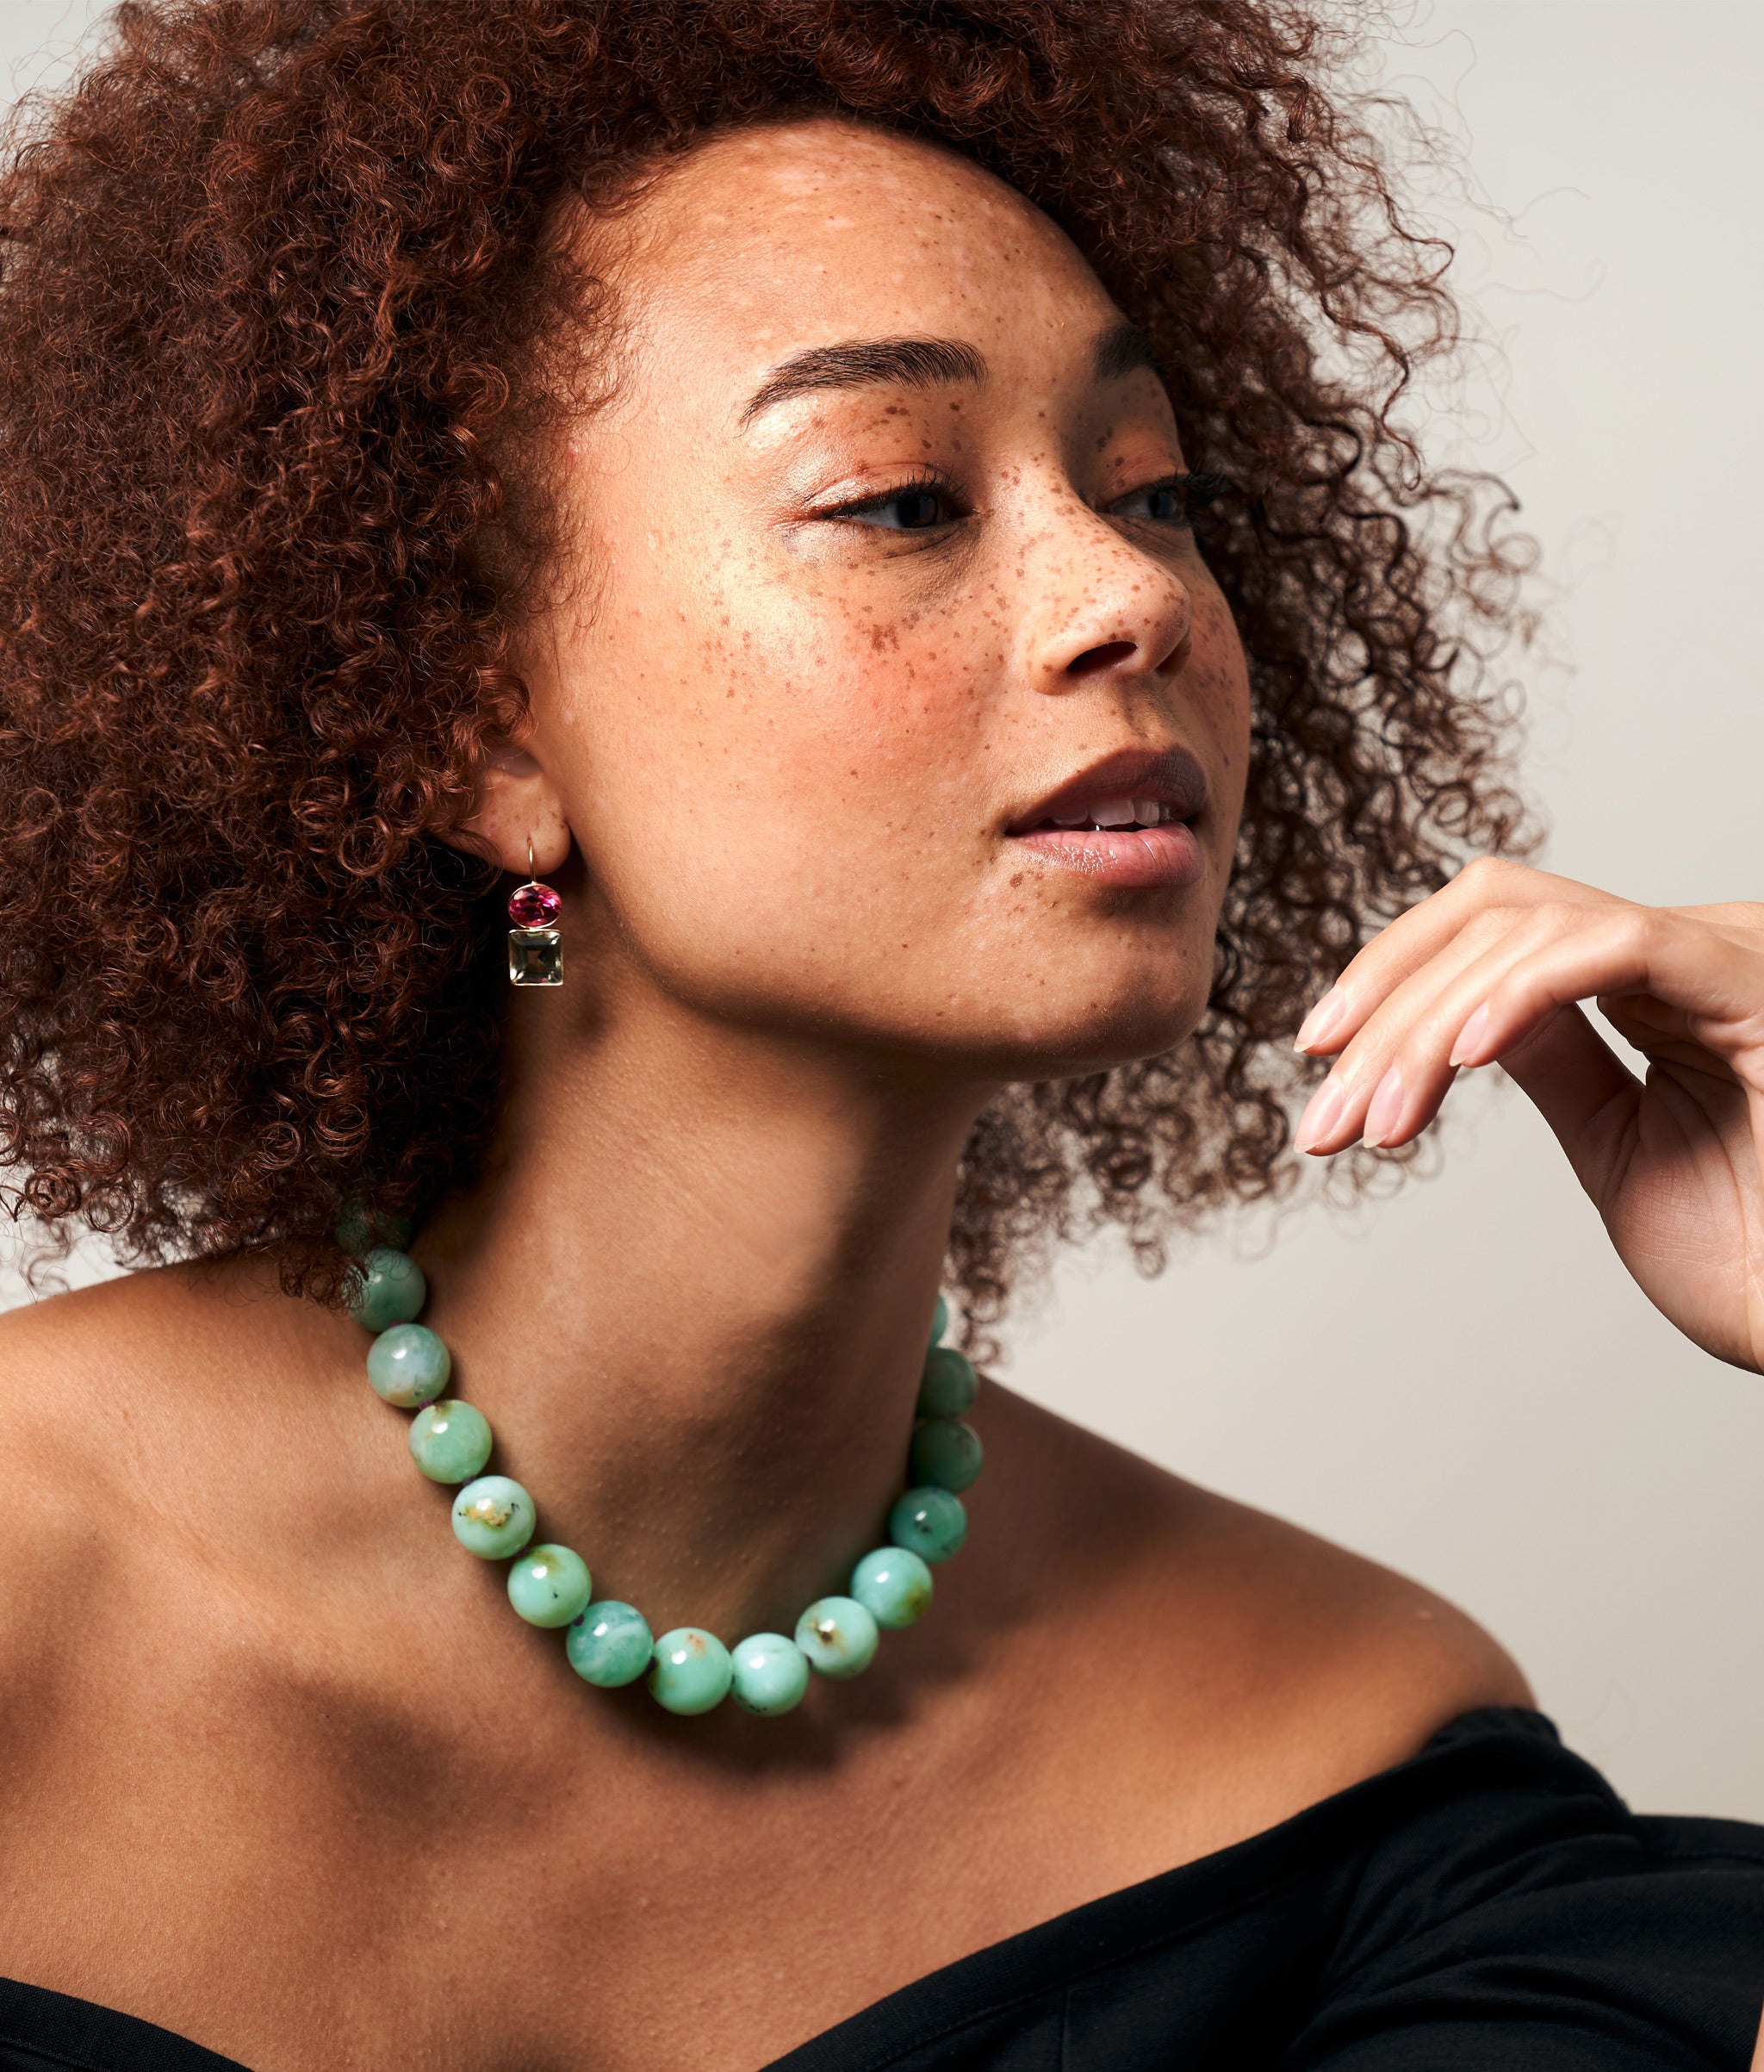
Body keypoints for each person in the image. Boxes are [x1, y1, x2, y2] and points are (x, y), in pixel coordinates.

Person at [0, 0, 1759, 2066]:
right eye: (903, 499)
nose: (1132, 598)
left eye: (1159, 487)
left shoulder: (1338, 1770)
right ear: (459, 725)